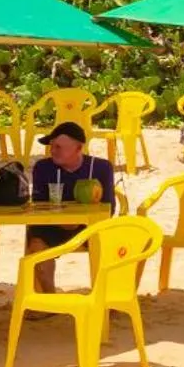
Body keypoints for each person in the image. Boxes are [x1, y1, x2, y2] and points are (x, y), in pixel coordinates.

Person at [27, 122, 117, 293]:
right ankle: (49, 299)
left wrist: (78, 221)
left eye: (59, 147)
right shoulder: (43, 168)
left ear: (78, 148)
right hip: (52, 226)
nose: (53, 151)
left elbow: (109, 208)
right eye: (52, 146)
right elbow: (38, 205)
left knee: (116, 243)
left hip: (90, 227)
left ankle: (106, 296)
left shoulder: (101, 168)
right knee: (36, 244)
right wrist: (62, 221)